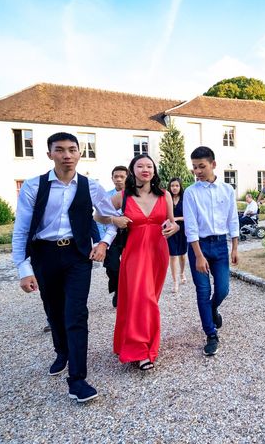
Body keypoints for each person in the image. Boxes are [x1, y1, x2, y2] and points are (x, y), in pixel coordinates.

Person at [12, 132, 120, 403]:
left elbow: (112, 220)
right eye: (60, 150)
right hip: (44, 255)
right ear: (50, 154)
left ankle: (78, 379)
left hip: (77, 256)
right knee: (54, 311)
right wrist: (24, 269)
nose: (67, 155)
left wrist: (104, 243)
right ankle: (61, 351)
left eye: (72, 149)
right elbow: (22, 230)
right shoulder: (33, 187)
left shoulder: (91, 186)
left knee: (76, 314)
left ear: (79, 153)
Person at [110, 155, 178, 371]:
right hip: (135, 253)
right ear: (133, 170)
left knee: (150, 300)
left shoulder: (165, 195)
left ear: (154, 171)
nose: (145, 169)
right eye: (140, 166)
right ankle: (142, 351)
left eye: (149, 166)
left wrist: (174, 228)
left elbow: (172, 222)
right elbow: (97, 215)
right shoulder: (123, 196)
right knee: (143, 299)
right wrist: (114, 219)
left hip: (158, 251)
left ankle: (132, 342)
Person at [183, 146, 240, 357]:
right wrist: (198, 255)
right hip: (199, 246)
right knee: (203, 291)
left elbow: (233, 219)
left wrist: (234, 247)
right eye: (194, 167)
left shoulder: (227, 190)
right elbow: (191, 227)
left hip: (221, 246)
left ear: (213, 165)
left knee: (223, 289)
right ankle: (211, 334)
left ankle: (212, 309)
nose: (197, 171)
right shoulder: (191, 193)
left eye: (201, 166)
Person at [98, 166, 129, 308]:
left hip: (130, 234)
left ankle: (129, 293)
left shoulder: (133, 195)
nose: (118, 179)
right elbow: (99, 217)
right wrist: (101, 240)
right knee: (113, 267)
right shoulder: (106, 196)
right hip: (112, 236)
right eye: (116, 176)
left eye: (122, 176)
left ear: (127, 178)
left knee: (130, 266)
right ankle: (118, 289)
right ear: (112, 178)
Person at [167, 177, 188, 294]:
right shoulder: (166, 198)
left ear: (180, 187)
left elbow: (189, 216)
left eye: (177, 186)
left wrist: (176, 218)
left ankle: (182, 272)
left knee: (182, 255)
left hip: (183, 229)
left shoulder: (185, 199)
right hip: (171, 229)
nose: (174, 188)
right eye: (172, 186)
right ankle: (175, 282)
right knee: (172, 255)